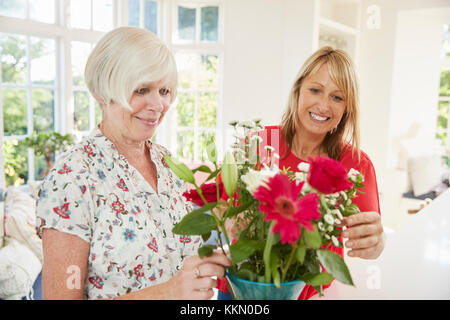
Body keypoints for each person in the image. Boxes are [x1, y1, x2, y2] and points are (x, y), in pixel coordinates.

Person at [36, 26, 231, 300]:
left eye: (164, 90)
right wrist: (168, 292)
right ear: (102, 92)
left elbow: (172, 257)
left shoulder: (167, 163)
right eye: (141, 90)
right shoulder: (72, 178)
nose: (158, 105)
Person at [217, 46, 385, 300]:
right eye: (315, 90)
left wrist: (377, 243)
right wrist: (229, 221)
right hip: (243, 287)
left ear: (347, 109)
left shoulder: (356, 165)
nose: (323, 105)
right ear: (297, 91)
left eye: (337, 97)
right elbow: (219, 204)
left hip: (310, 294)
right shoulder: (258, 142)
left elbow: (367, 243)